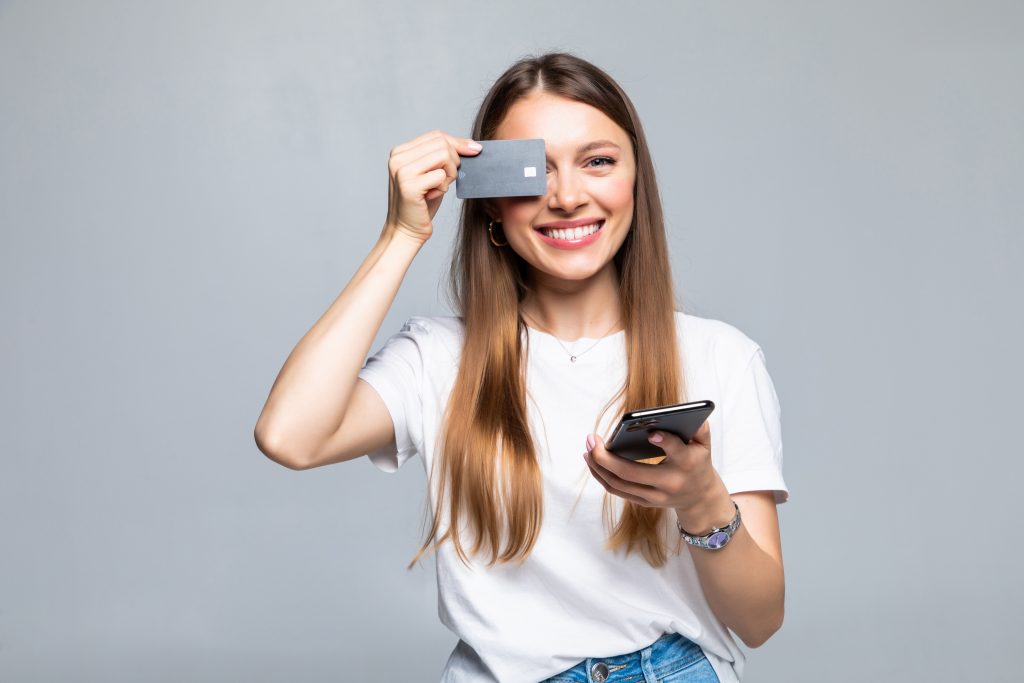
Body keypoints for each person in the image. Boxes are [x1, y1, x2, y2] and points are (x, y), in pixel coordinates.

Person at [254, 51, 788, 683]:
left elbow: (759, 621)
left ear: (635, 183)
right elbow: (289, 436)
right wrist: (400, 234)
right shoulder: (437, 359)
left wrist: (702, 502)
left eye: (598, 161)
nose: (566, 196)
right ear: (488, 201)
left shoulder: (719, 356)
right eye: (535, 170)